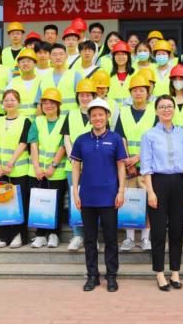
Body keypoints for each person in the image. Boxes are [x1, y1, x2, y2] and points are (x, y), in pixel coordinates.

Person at [71, 98, 126, 292]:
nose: (97, 118)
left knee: (110, 238)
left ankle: (111, 276)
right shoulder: (81, 140)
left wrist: (121, 191)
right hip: (87, 196)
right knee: (89, 239)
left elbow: (121, 166)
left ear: (107, 116)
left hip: (110, 196)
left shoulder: (116, 139)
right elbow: (76, 167)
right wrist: (75, 191)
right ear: (89, 118)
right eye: (93, 115)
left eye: (101, 114)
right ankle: (92, 276)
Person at [142, 94, 183, 291]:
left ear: (174, 109)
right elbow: (146, 166)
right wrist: (151, 192)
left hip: (178, 184)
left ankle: (175, 272)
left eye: (169, 106)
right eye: (162, 107)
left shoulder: (182, 134)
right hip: (158, 183)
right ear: (156, 111)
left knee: (176, 230)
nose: (166, 110)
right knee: (157, 231)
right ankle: (159, 273)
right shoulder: (149, 135)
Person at [114, 74, 155, 252]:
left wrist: (137, 158)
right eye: (135, 90)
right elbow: (120, 137)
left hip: (148, 166)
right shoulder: (123, 112)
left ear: (148, 92)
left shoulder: (154, 111)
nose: (138, 93)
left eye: (142, 90)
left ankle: (145, 238)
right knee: (128, 200)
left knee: (147, 201)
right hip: (127, 166)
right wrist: (127, 160)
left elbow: (155, 139)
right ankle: (129, 238)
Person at [0, 89, 32, 249]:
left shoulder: (25, 121)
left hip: (17, 170)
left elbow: (23, 143)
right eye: (6, 100)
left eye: (12, 100)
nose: (9, 103)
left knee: (18, 204)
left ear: (18, 102)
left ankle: (18, 235)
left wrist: (10, 163)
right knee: (1, 202)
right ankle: (3, 235)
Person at [29, 88, 68, 249]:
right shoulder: (37, 121)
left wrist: (53, 166)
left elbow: (63, 146)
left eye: (52, 103)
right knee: (39, 203)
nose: (48, 106)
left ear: (58, 105)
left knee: (56, 204)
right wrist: (37, 167)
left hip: (56, 172)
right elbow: (33, 144)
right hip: (37, 172)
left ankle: (53, 234)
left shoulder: (64, 120)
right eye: (45, 103)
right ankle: (40, 235)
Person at [61, 78, 96, 251]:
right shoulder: (71, 114)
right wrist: (73, 158)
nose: (85, 98)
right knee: (75, 198)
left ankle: (92, 236)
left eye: (88, 95)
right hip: (73, 165)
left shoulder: (97, 113)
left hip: (94, 166)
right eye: (82, 95)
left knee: (94, 200)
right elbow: (66, 139)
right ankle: (77, 235)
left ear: (94, 96)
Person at [39, 43, 82, 114]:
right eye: (54, 55)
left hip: (71, 119)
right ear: (49, 57)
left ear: (66, 56)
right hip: (51, 119)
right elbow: (39, 104)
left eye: (61, 54)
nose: (58, 57)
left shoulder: (76, 76)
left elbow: (83, 101)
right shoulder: (44, 78)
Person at [7, 49, 41, 120]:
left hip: (37, 122)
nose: (25, 64)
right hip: (18, 123)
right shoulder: (13, 82)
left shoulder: (42, 81)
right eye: (22, 62)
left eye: (29, 61)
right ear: (19, 65)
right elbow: (7, 106)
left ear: (35, 64)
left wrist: (38, 123)